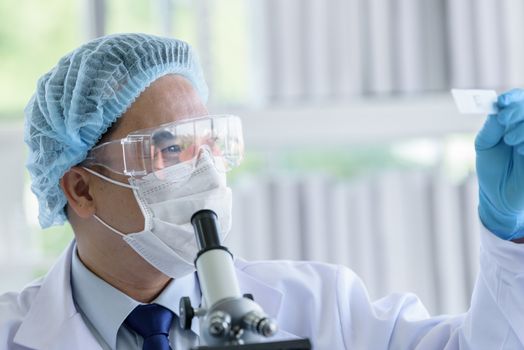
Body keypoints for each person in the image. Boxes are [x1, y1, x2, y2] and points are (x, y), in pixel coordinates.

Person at [1, 33, 524, 350]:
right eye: (169, 149)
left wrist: (510, 237)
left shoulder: (322, 307)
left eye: (211, 144)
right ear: (80, 188)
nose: (208, 174)